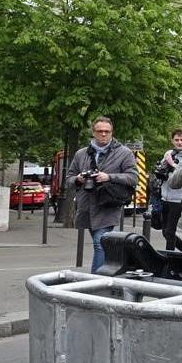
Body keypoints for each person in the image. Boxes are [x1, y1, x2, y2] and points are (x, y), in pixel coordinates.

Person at [66, 116, 138, 273]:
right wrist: (78, 179)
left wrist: (109, 177)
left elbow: (133, 178)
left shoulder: (124, 153)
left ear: (112, 132)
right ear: (93, 132)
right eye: (100, 131)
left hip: (108, 205)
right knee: (102, 244)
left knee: (100, 242)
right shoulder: (81, 154)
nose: (103, 134)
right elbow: (69, 179)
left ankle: (96, 280)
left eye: (107, 131)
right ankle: (115, 269)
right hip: (86, 205)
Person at [156, 129, 182, 251]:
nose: (179, 142)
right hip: (165, 196)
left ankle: (169, 259)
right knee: (165, 232)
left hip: (178, 199)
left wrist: (172, 164)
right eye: (176, 140)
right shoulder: (169, 153)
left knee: (170, 231)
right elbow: (161, 171)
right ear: (172, 141)